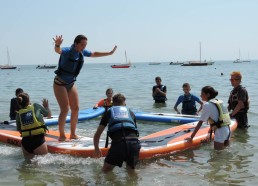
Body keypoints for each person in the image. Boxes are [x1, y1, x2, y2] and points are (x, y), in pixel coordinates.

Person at [53, 35, 117, 141]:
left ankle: (73, 134)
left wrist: (109, 53)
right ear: (76, 44)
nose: (84, 47)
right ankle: (62, 135)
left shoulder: (82, 52)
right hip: (59, 83)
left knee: (76, 109)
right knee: (65, 109)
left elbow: (94, 53)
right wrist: (57, 44)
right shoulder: (68, 50)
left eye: (85, 45)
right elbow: (58, 51)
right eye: (82, 44)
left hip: (71, 83)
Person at [93, 93, 141, 173]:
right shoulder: (131, 113)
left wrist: (96, 149)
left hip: (119, 143)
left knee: (106, 170)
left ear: (113, 104)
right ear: (124, 103)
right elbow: (135, 132)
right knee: (131, 171)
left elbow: (97, 134)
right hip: (134, 143)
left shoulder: (109, 112)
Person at [185, 86, 231, 150]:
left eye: (202, 94)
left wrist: (191, 137)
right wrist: (210, 129)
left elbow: (200, 123)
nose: (200, 95)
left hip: (220, 131)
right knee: (225, 153)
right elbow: (217, 116)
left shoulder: (207, 105)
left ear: (208, 95)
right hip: (227, 129)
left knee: (217, 155)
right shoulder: (220, 101)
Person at [16, 93, 51, 159]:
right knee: (42, 166)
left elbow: (19, 130)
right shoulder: (35, 106)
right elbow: (48, 115)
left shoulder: (18, 114)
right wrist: (46, 106)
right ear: (28, 101)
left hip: (25, 143)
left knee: (28, 164)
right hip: (38, 141)